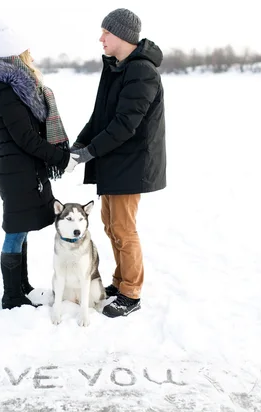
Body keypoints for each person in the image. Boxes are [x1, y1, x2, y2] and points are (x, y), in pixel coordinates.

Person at [67, 8, 166, 318]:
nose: (101, 38)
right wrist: (81, 144)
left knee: (124, 229)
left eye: (105, 33)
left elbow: (125, 125)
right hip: (115, 160)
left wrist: (89, 153)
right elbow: (100, 117)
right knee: (112, 225)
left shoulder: (141, 71)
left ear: (122, 35)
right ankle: (120, 283)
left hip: (131, 163)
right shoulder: (116, 68)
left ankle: (131, 293)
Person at [0, 18, 77, 310]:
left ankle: (22, 286)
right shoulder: (7, 95)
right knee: (15, 231)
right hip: (17, 172)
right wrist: (61, 158)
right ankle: (12, 297)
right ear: (18, 56)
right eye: (27, 53)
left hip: (24, 170)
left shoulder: (13, 91)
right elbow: (26, 140)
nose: (32, 58)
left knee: (22, 229)